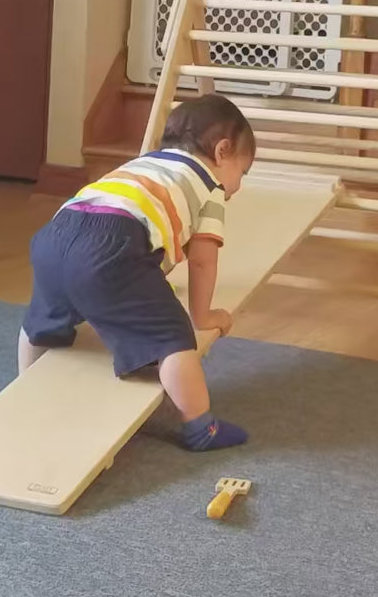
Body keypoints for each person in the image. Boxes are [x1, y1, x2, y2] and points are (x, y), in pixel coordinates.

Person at [18, 94, 256, 450]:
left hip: (56, 234)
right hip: (112, 246)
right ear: (222, 152)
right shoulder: (210, 187)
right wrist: (203, 315)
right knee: (172, 339)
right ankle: (200, 427)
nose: (238, 184)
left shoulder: (142, 165)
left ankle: (25, 393)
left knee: (39, 322)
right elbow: (203, 259)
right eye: (243, 171)